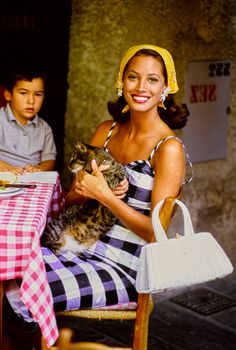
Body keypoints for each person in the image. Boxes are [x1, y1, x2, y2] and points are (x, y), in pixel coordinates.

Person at [5, 44, 193, 336]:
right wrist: (81, 191)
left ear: (165, 88)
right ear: (122, 81)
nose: (141, 87)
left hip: (122, 267)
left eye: (152, 79)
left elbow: (156, 234)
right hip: (77, 245)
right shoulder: (106, 130)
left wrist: (105, 195)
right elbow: (70, 202)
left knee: (23, 286)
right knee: (10, 268)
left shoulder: (168, 149)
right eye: (133, 77)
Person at [0, 65, 57, 174]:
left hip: (32, 181)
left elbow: (49, 161)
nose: (31, 101)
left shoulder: (44, 128)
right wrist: (9, 169)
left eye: (38, 94)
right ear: (8, 95)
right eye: (23, 93)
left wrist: (38, 169)